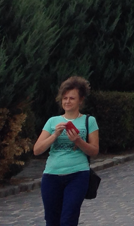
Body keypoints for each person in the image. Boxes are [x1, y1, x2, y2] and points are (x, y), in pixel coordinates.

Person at [34, 76, 99, 226]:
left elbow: (94, 150)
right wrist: (54, 135)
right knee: (52, 220)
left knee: (68, 219)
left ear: (80, 100)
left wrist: (78, 141)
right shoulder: (52, 121)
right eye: (65, 98)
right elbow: (37, 150)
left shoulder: (89, 121)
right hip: (51, 175)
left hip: (78, 174)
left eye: (72, 98)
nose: (67, 101)